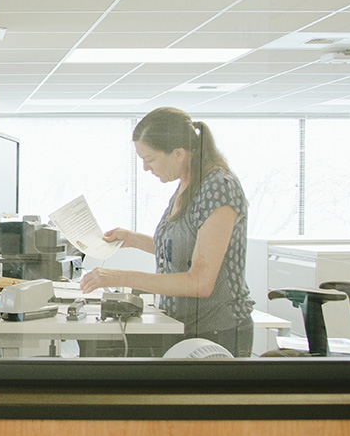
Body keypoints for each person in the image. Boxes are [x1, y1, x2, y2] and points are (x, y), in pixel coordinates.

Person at [80, 107, 254, 357]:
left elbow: (200, 281)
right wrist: (133, 239)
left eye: (150, 159)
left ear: (179, 154)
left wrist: (118, 277)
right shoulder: (188, 183)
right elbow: (186, 250)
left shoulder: (219, 188)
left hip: (217, 330)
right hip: (184, 325)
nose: (145, 168)